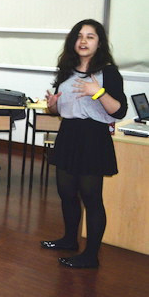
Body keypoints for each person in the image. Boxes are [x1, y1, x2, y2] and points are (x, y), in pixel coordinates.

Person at [41, 19, 126, 269]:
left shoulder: (108, 72)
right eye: (79, 36)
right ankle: (69, 239)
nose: (83, 41)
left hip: (93, 137)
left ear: (99, 43)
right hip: (69, 133)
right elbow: (61, 109)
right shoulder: (66, 70)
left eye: (90, 36)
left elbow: (119, 111)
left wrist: (97, 92)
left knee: (91, 197)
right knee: (66, 192)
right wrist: (53, 106)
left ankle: (91, 256)